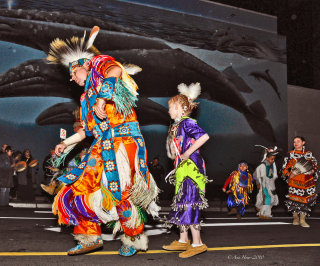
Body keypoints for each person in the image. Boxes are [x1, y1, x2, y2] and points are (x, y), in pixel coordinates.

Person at [47, 26, 160, 256]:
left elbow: (116, 70)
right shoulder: (85, 98)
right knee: (75, 187)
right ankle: (89, 237)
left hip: (123, 141)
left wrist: (104, 95)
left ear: (83, 65)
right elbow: (86, 132)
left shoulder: (98, 64)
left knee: (120, 192)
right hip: (101, 147)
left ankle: (133, 238)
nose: (71, 77)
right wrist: (65, 144)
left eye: (73, 72)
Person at [162, 83, 210, 258]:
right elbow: (175, 151)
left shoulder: (187, 122)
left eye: (171, 108)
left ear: (181, 108)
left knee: (190, 203)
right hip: (182, 170)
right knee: (182, 203)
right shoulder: (178, 126)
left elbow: (204, 136)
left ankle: (198, 243)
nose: (168, 111)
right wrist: (174, 146)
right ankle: (183, 240)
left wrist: (188, 152)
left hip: (191, 170)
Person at [281, 136, 318, 227]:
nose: (296, 143)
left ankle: (303, 220)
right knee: (294, 200)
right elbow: (284, 168)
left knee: (305, 200)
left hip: (307, 181)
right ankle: (295, 218)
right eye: (294, 142)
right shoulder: (289, 155)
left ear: (303, 142)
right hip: (295, 181)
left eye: (298, 141)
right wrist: (290, 173)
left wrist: (313, 170)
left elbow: (314, 165)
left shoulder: (308, 154)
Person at [253, 146, 279, 219]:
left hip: (270, 184)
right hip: (263, 184)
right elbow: (255, 174)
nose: (273, 160)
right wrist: (258, 183)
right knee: (267, 198)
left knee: (271, 199)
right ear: (267, 158)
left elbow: (272, 176)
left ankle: (262, 210)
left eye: (274, 159)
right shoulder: (262, 165)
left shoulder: (272, 166)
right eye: (271, 159)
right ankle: (264, 214)